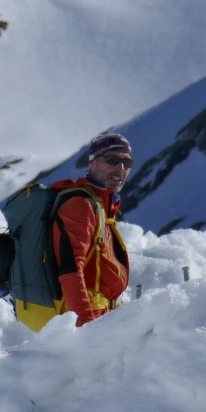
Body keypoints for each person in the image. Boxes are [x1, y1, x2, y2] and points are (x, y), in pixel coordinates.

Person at [50, 132, 132, 327]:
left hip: (103, 315)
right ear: (92, 163)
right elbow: (70, 269)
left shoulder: (101, 204)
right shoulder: (81, 205)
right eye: (112, 160)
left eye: (126, 164)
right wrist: (86, 325)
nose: (120, 169)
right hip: (88, 320)